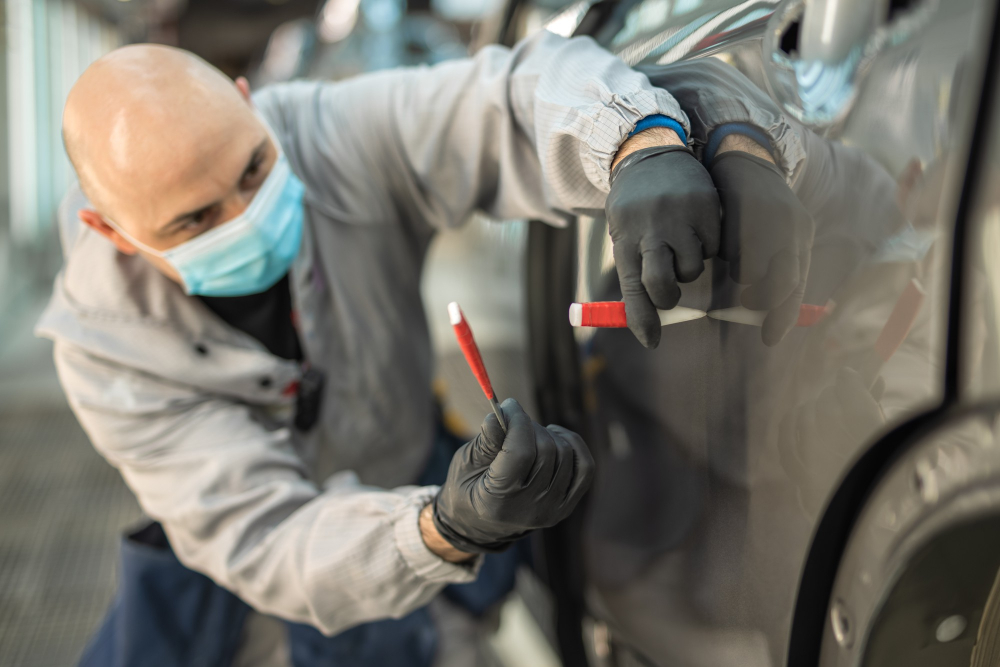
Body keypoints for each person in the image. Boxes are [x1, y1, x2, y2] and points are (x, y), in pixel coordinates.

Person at [38, 27, 804, 666]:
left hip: (408, 473)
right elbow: (269, 536)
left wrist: (639, 142)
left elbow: (504, 97)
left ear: (250, 105)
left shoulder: (326, 133)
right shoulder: (108, 348)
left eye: (253, 169)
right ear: (111, 232)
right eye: (195, 221)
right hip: (252, 574)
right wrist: (444, 527)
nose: (247, 216)